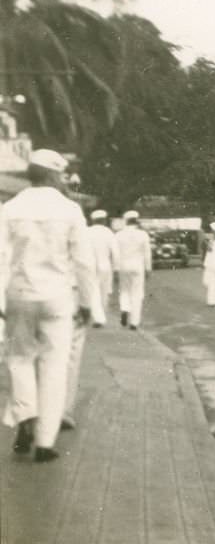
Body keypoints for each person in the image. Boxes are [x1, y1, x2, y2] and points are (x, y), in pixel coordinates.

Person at [0, 149, 95, 462]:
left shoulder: (10, 208)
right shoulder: (70, 210)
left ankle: (25, 411)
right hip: (57, 297)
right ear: (53, 176)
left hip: (19, 294)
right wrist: (87, 302)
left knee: (19, 358)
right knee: (55, 367)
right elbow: (83, 262)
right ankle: (44, 442)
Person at [86, 209, 119, 327]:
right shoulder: (108, 233)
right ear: (104, 220)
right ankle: (101, 315)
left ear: (92, 220)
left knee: (93, 291)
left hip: (90, 266)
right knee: (104, 292)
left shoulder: (86, 232)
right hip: (105, 265)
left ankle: (98, 317)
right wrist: (116, 269)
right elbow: (115, 253)